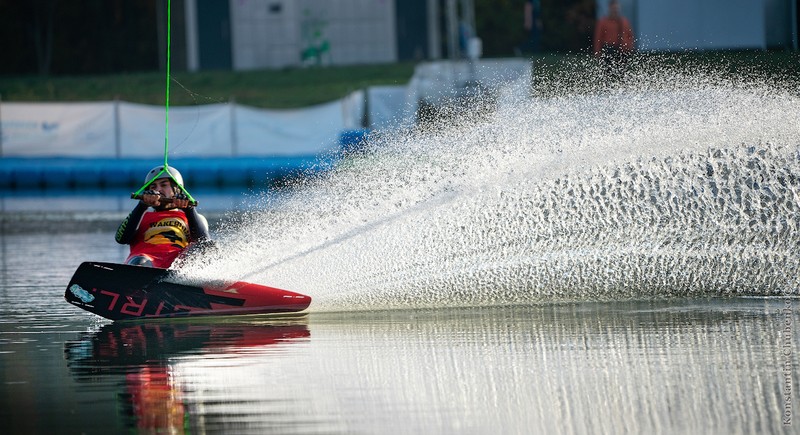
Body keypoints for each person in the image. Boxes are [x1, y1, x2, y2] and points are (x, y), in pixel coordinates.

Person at [115, 165, 210, 268]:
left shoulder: (194, 217)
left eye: (164, 185)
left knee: (205, 247)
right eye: (153, 187)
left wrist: (189, 210)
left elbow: (204, 242)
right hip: (146, 261)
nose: (158, 190)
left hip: (179, 264)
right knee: (140, 261)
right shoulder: (140, 216)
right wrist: (142, 206)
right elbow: (121, 239)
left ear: (177, 190)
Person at [593, 0, 634, 81]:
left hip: (622, 51)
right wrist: (598, 52)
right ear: (609, 9)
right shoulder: (603, 22)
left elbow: (630, 36)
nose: (615, 11)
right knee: (608, 73)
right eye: (613, 9)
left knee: (622, 73)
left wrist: (629, 47)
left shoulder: (624, 21)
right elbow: (598, 38)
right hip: (609, 50)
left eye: (616, 9)